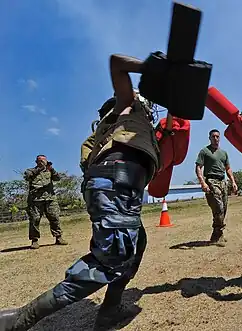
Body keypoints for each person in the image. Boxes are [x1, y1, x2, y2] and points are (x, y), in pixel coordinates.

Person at [0, 53, 162, 330]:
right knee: (109, 261)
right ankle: (21, 319)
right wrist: (156, 68)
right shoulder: (127, 108)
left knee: (135, 246)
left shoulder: (128, 129)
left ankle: (110, 309)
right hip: (116, 185)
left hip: (122, 191)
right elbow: (117, 63)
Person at [195, 129, 238, 246]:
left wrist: (233, 182)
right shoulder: (204, 151)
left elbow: (228, 168)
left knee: (223, 209)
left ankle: (217, 233)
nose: (215, 138)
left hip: (222, 181)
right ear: (209, 138)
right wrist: (203, 183)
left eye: (217, 136)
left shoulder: (223, 153)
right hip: (211, 181)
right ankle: (219, 232)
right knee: (218, 208)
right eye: (213, 136)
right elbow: (198, 167)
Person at [23, 155, 68, 249]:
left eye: (43, 160)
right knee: (35, 220)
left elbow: (58, 178)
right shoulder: (30, 171)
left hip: (50, 199)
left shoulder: (50, 171)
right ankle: (34, 240)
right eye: (40, 160)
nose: (42, 162)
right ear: (36, 162)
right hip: (35, 200)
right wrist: (39, 169)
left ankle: (58, 237)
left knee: (55, 218)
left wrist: (51, 169)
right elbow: (27, 177)